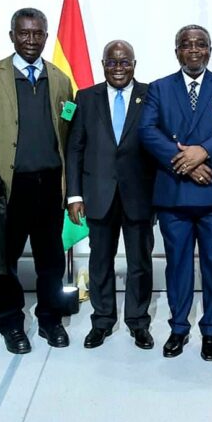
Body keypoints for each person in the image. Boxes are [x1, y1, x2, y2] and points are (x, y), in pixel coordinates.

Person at [0, 8, 73, 354]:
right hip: (6, 188)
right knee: (4, 263)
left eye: (37, 33)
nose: (31, 40)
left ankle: (50, 319)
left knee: (51, 260)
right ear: (12, 35)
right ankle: (11, 323)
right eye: (24, 33)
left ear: (45, 35)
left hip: (49, 186)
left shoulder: (58, 79)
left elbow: (67, 131)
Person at [138, 25, 212, 361]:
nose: (194, 50)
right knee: (178, 266)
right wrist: (185, 162)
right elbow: (148, 131)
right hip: (174, 194)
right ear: (177, 51)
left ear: (210, 50)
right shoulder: (159, 88)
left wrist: (203, 152)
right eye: (187, 45)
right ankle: (179, 328)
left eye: (201, 44)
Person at [66, 40, 156, 350]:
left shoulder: (151, 95)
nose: (118, 68)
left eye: (124, 62)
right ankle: (102, 321)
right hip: (98, 194)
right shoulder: (86, 97)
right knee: (100, 262)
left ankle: (138, 322)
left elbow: (158, 147)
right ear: (102, 64)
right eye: (112, 62)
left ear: (135, 63)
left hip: (140, 195)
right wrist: (73, 195)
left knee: (140, 263)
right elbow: (75, 148)